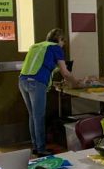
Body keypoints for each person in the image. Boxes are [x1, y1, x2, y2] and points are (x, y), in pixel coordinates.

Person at [19, 28, 84, 156]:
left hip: (22, 81)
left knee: (33, 116)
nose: (63, 44)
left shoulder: (37, 46)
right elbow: (65, 72)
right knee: (39, 117)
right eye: (63, 41)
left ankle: (35, 146)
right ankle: (42, 149)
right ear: (59, 39)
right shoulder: (56, 48)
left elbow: (41, 65)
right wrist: (76, 83)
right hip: (36, 83)